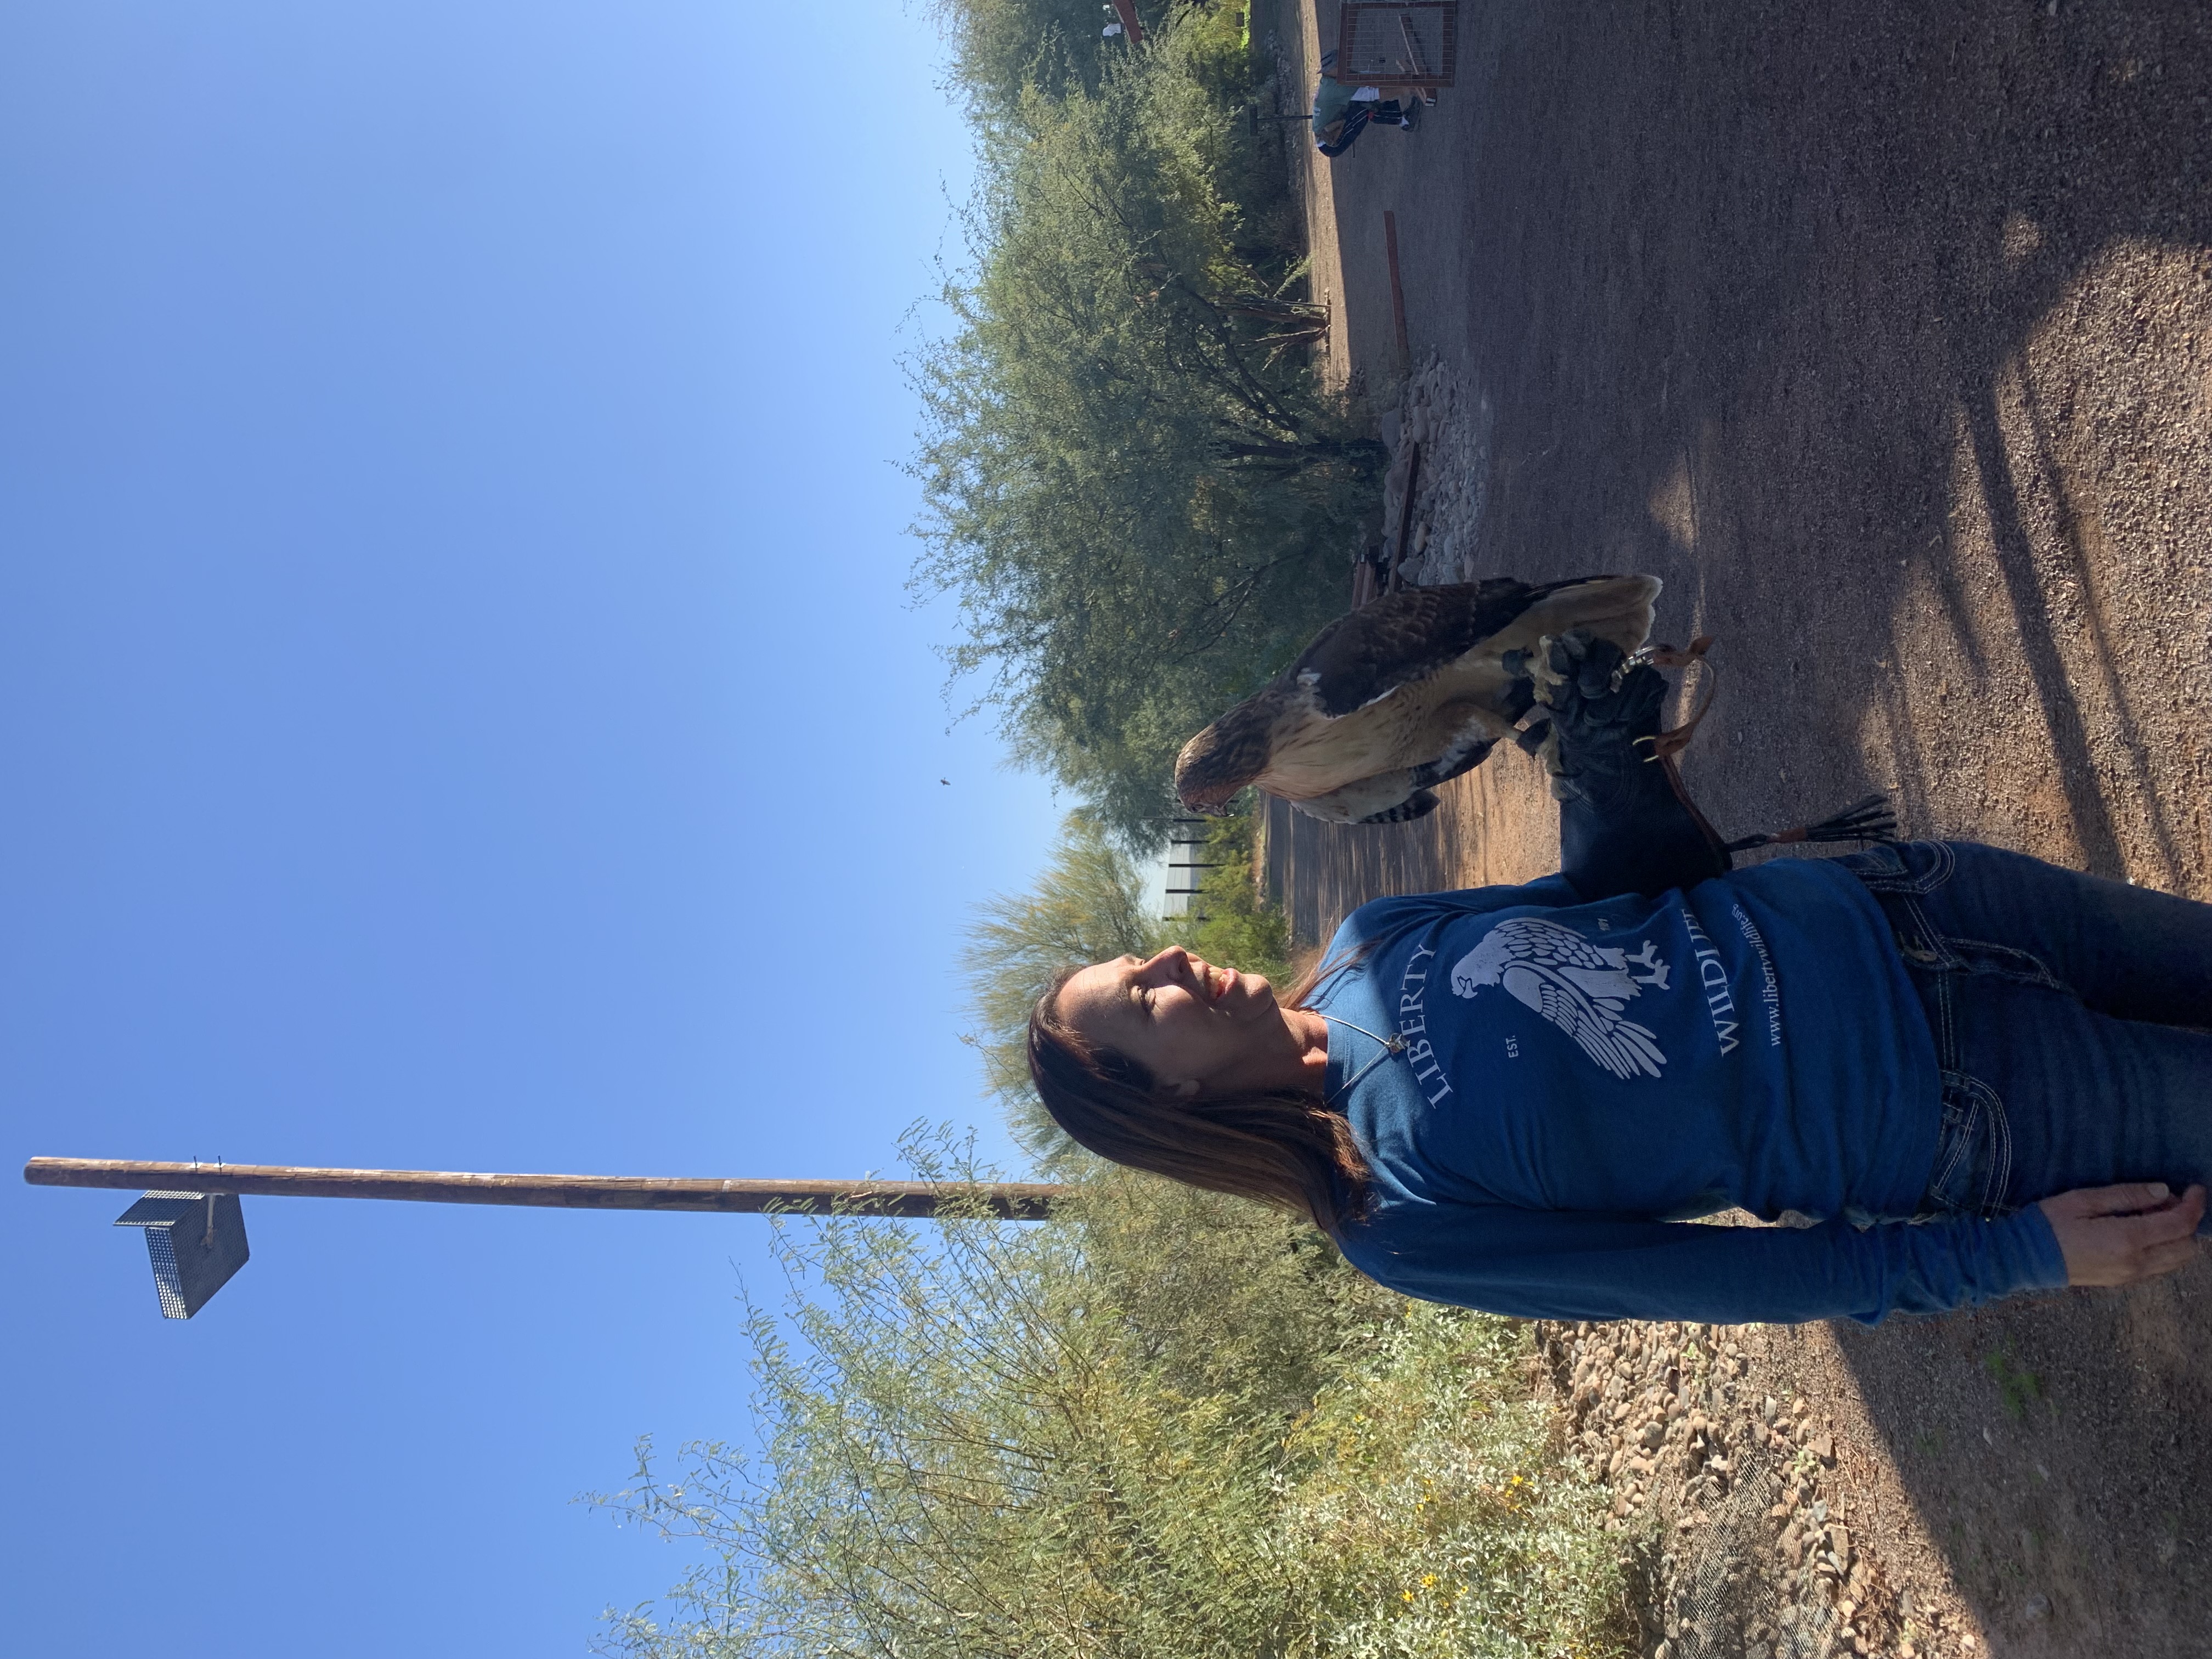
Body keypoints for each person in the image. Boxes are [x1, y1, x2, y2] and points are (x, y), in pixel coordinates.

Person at [1028, 642, 2212, 1326]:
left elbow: (1642, 892)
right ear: (1169, 1099)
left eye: (1146, 959)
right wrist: (2016, 1254)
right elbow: (1741, 1283)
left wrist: (1608, 782)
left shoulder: (1368, 941)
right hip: (1959, 1104)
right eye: (1146, 1002)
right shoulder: (1394, 1221)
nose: (1175, 961)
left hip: (1923, 902)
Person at [1311, 49, 1419, 158]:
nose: (1346, 66)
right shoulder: (1335, 88)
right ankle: (1405, 121)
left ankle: (1402, 118)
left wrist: (1400, 78)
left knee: (1362, 104)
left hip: (1331, 127)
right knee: (1365, 108)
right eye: (1341, 64)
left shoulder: (1333, 79)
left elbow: (1366, 79)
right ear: (1330, 70)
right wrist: (1405, 90)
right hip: (1330, 142)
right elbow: (1372, 94)